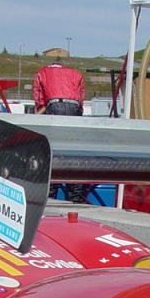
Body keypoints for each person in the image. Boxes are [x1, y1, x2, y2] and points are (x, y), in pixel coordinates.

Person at [34, 62, 89, 201]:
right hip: (74, 108)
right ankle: (76, 195)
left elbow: (38, 96)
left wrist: (41, 114)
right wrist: (78, 112)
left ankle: (51, 193)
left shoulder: (42, 72)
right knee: (74, 150)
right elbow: (81, 94)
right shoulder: (75, 72)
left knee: (53, 151)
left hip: (53, 106)